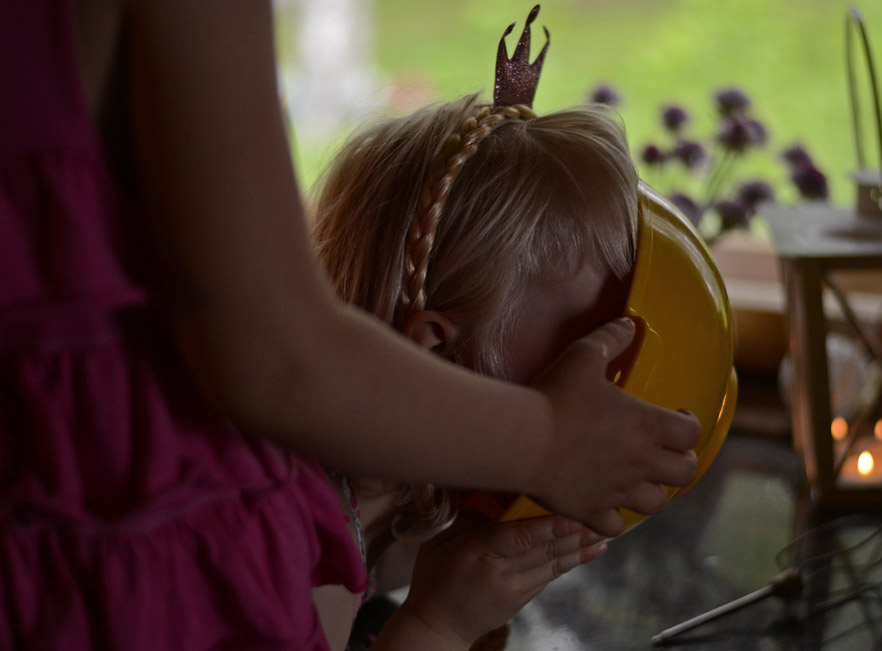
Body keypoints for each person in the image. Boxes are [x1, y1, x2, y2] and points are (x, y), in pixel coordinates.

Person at [0, 1, 699, 648]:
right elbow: (275, 355)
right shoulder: (309, 537)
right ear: (436, 355)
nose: (609, 399)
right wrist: (440, 622)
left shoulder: (388, 511)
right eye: (595, 351)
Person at [310, 95, 642, 648]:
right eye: (587, 340)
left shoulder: (402, 494)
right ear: (436, 355)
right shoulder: (312, 548)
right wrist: (440, 624)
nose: (609, 374)